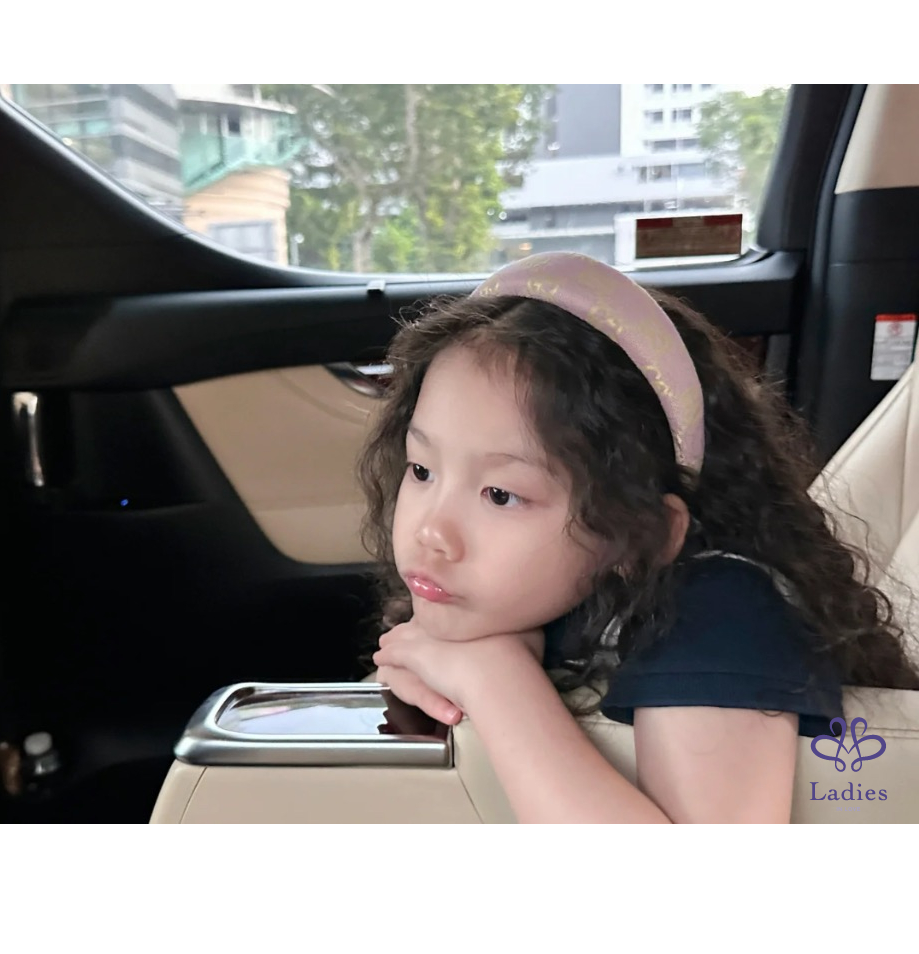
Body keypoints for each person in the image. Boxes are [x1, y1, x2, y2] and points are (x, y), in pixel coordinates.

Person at [359, 251, 919, 823]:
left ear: (640, 534)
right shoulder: (530, 597)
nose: (431, 531)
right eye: (422, 469)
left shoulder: (722, 619)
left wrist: (495, 680)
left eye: (501, 495)